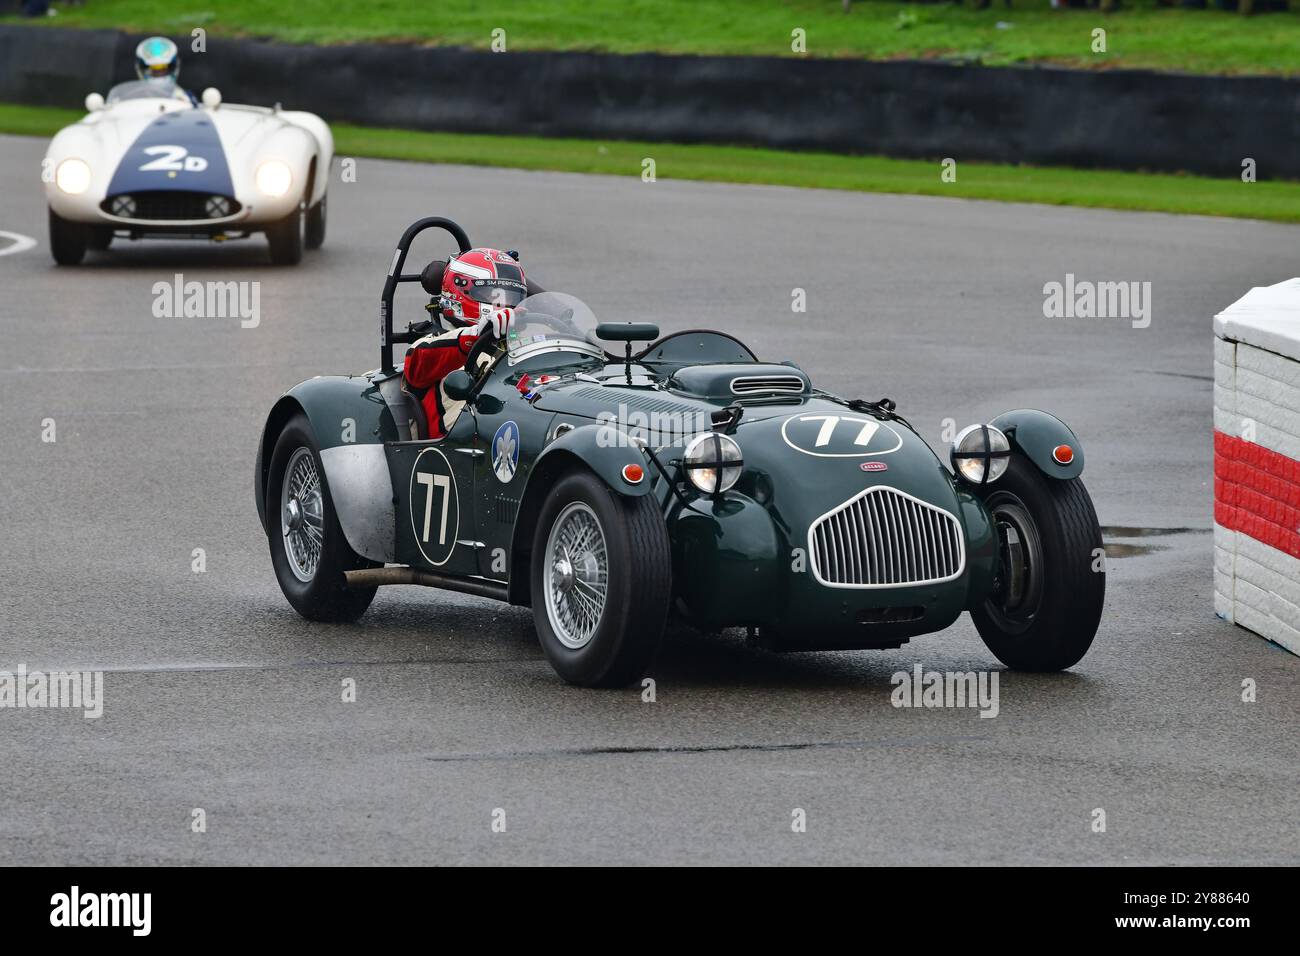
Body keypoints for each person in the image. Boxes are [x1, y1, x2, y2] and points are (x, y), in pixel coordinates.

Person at [402, 248, 531, 439]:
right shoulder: (430, 347)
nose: (505, 306)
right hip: (458, 449)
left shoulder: (519, 349)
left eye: (512, 297)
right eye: (495, 296)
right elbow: (419, 360)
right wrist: (476, 334)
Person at [132, 36, 199, 105]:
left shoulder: (185, 97)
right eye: (154, 71)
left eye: (163, 70)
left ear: (172, 68)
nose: (159, 74)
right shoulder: (132, 98)